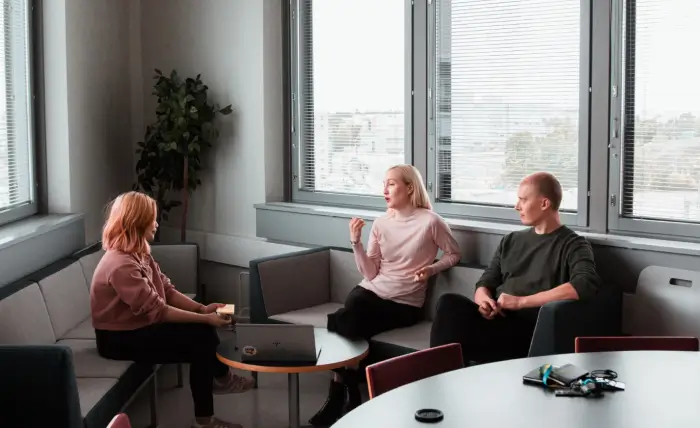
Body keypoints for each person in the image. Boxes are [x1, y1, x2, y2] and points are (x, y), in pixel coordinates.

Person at [310, 164, 461, 427]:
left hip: (404, 304)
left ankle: (339, 394)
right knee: (355, 309)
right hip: (371, 292)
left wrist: (431, 269)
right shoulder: (381, 223)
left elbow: (454, 254)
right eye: (384, 184)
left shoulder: (431, 222)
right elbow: (370, 273)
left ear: (410, 188)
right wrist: (356, 242)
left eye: (391, 183)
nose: (385, 190)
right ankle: (347, 391)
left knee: (345, 320)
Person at [91, 191, 254, 428]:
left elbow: (166, 290)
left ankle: (219, 385)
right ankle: (210, 407)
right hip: (117, 339)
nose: (156, 223)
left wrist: (202, 309)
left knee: (202, 335)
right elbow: (159, 311)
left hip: (136, 327)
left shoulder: (138, 253)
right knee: (201, 339)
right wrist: (206, 319)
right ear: (138, 222)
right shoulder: (120, 265)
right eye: (152, 219)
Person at [429, 172, 602, 365]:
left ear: (544, 204)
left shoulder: (573, 244)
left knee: (455, 338)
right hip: (495, 321)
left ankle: (438, 373)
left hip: (526, 330)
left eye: (523, 200)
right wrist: (484, 301)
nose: (517, 206)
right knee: (449, 303)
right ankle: (437, 375)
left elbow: (584, 284)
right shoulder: (511, 240)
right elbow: (485, 282)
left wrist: (520, 302)